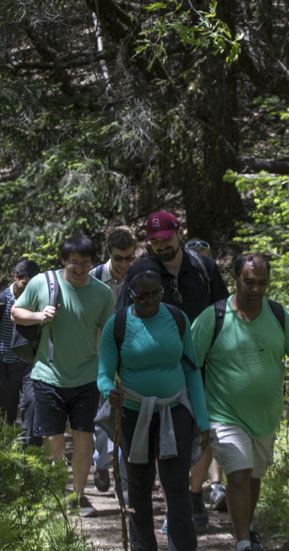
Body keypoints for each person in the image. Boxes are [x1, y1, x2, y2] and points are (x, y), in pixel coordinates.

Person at [192, 253, 289, 551]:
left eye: (262, 282)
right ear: (235, 279)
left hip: (266, 416)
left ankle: (246, 529)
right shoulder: (212, 318)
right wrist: (194, 413)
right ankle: (243, 545)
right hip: (223, 413)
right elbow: (190, 363)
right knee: (239, 475)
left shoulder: (279, 316)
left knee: (254, 477)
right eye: (249, 281)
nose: (256, 289)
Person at [97, 269, 210, 551]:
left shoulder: (177, 319)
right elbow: (104, 372)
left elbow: (191, 371)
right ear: (130, 294)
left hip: (175, 411)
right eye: (142, 295)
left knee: (177, 487)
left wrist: (202, 420)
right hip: (133, 413)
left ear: (163, 292)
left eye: (155, 293)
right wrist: (110, 391)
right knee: (139, 484)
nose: (149, 300)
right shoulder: (117, 326)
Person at [117, 211, 228, 529]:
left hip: (204, 364)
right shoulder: (141, 271)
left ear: (179, 233)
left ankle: (194, 495)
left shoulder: (203, 268)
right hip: (160, 368)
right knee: (170, 439)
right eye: (153, 242)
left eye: (165, 240)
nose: (160, 246)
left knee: (203, 431)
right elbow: (122, 320)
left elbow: (223, 311)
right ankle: (176, 505)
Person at [11, 235, 114, 517]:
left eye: (85, 263)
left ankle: (78, 497)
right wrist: (38, 316)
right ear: (63, 262)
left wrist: (109, 373)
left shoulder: (103, 293)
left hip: (86, 378)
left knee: (84, 440)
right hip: (47, 376)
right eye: (73, 264)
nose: (79, 269)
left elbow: (106, 335)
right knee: (54, 442)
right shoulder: (42, 283)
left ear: (93, 263)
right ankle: (57, 494)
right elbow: (15, 312)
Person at [89, 226, 138, 493]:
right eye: (119, 258)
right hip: (100, 359)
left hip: (131, 359)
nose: (123, 264)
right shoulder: (94, 278)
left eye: (129, 258)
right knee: (102, 414)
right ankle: (101, 463)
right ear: (109, 253)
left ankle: (123, 476)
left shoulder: (139, 277)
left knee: (127, 416)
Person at [0, 259, 40, 444]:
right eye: (25, 283)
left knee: (33, 406)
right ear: (16, 278)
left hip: (29, 365)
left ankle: (31, 453)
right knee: (4, 414)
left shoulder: (38, 299)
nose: (28, 288)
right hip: (4, 365)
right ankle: (3, 453)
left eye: (32, 284)